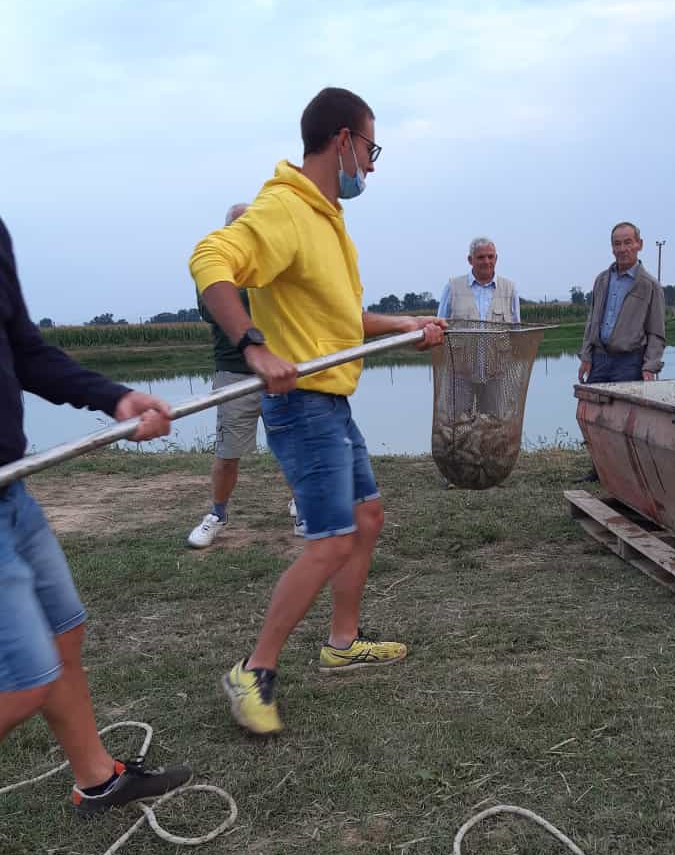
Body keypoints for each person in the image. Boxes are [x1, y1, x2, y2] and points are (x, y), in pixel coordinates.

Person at [189, 87, 445, 736]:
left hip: (331, 399)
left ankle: (342, 643)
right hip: (301, 405)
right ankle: (254, 669)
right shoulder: (285, 207)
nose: (372, 167)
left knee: (366, 516)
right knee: (330, 538)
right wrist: (253, 346)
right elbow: (210, 259)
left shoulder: (327, 217)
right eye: (371, 150)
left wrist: (404, 326)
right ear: (343, 141)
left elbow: (342, 318)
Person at [0, 217, 192, 816]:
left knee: (64, 631)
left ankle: (98, 780)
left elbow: (26, 352)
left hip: (10, 488)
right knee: (22, 681)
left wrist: (115, 397)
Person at [187, 204, 304, 548]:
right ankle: (217, 515)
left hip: (279, 373)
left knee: (292, 448)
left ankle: (302, 507)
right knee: (228, 453)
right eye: (240, 227)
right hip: (233, 376)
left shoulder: (276, 259)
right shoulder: (214, 264)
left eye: (253, 226)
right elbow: (214, 308)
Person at [577, 221, 666, 482]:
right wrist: (586, 356)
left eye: (628, 242)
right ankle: (599, 468)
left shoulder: (649, 285)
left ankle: (626, 472)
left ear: (639, 244)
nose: (623, 248)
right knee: (592, 414)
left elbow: (656, 332)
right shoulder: (602, 280)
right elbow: (592, 320)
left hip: (629, 361)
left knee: (624, 420)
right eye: (618, 243)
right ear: (612, 248)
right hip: (601, 358)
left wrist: (650, 366)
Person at [437, 238, 519, 419]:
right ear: (470, 260)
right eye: (481, 257)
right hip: (459, 375)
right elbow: (439, 328)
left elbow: (516, 333)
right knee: (458, 424)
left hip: (497, 375)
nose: (486, 262)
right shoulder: (452, 287)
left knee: (495, 424)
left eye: (490, 257)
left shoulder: (510, 289)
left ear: (496, 258)